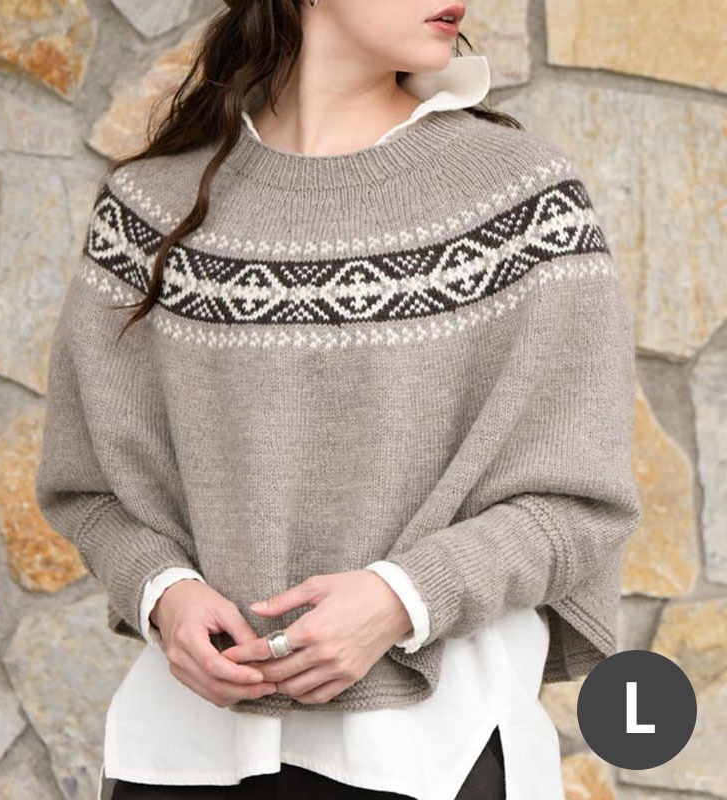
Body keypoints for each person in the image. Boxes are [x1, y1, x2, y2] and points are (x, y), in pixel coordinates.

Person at [35, 1, 642, 799]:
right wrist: (163, 593)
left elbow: (581, 503)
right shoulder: (151, 208)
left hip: (435, 755)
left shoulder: (519, 198)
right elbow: (87, 487)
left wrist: (403, 598)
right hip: (186, 754)